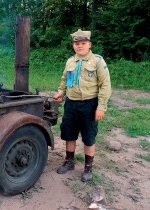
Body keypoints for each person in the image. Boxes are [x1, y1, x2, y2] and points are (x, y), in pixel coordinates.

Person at [53, 29, 111, 182]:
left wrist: (101, 107)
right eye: (77, 44)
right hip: (71, 104)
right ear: (73, 46)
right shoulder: (70, 61)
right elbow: (65, 80)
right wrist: (61, 93)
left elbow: (105, 85)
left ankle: (88, 168)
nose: (79, 46)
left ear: (89, 44)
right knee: (69, 133)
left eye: (83, 43)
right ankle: (69, 161)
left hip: (89, 105)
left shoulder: (98, 61)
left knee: (89, 136)